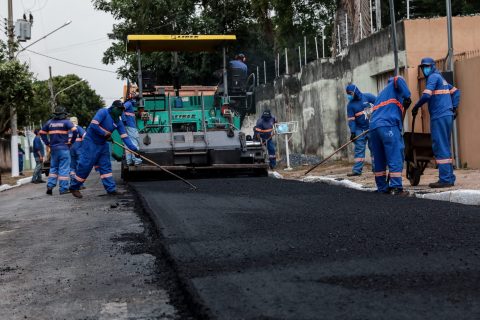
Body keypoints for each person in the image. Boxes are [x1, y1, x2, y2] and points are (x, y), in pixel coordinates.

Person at [69, 100, 138, 198]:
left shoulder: (118, 122)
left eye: (122, 110)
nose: (120, 112)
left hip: (102, 144)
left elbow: (125, 137)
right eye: (119, 109)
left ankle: (111, 189)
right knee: (86, 165)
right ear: (113, 108)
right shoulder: (103, 112)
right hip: (91, 142)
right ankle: (74, 187)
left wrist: (133, 149)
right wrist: (104, 133)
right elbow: (93, 125)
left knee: (106, 166)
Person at [411, 57, 461, 188]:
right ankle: (449, 178)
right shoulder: (441, 79)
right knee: (446, 146)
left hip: (439, 116)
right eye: (423, 67)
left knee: (440, 146)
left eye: (427, 66)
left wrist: (416, 106)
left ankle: (445, 179)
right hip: (447, 115)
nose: (424, 69)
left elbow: (427, 95)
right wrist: (454, 108)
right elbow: (456, 92)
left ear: (432, 66)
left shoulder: (433, 77)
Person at [369, 76, 412, 195]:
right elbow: (398, 78)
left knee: (379, 158)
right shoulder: (395, 84)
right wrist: (407, 96)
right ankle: (396, 187)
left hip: (373, 128)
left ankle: (382, 188)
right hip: (387, 125)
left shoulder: (382, 94)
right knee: (395, 154)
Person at [40, 106, 77, 195]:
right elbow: (75, 131)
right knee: (64, 169)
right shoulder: (66, 122)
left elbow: (42, 133)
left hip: (54, 150)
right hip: (64, 149)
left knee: (53, 168)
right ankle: (63, 189)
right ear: (63, 114)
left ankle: (50, 186)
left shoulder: (49, 122)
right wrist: (71, 142)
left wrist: (47, 143)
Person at [345, 84, 376, 176]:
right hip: (359, 129)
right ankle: (357, 171)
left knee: (374, 148)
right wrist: (353, 132)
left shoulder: (368, 97)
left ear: (355, 91)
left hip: (371, 128)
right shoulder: (350, 106)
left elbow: (379, 103)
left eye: (350, 93)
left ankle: (377, 168)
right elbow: (351, 120)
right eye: (347, 94)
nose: (349, 95)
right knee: (359, 149)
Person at [122, 93, 142, 166]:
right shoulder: (128, 103)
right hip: (130, 126)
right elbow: (122, 108)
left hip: (127, 126)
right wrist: (124, 120)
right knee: (135, 142)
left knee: (128, 144)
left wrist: (124, 121)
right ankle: (137, 161)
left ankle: (129, 161)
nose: (136, 102)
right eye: (136, 99)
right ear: (132, 99)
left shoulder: (128, 105)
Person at [69, 116, 86, 187]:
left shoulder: (68, 129)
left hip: (70, 150)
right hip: (79, 150)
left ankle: (73, 182)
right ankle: (79, 184)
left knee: (72, 167)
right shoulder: (78, 128)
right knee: (79, 166)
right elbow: (85, 136)